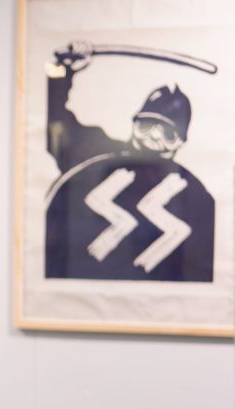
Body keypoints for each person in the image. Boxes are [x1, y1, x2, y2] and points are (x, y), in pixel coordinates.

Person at [44, 41, 214, 281]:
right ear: (134, 124)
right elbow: (54, 121)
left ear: (181, 141)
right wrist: (62, 71)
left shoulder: (195, 195)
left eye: (167, 132)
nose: (154, 136)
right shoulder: (94, 152)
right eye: (147, 125)